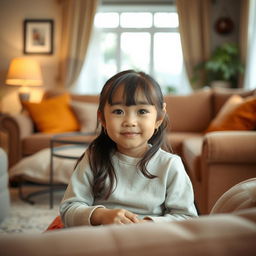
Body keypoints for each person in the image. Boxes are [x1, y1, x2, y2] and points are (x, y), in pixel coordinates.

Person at [59, 70, 198, 227]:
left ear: (159, 118)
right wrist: (101, 215)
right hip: (102, 241)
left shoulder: (170, 165)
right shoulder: (94, 158)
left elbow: (187, 218)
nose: (130, 121)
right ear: (102, 119)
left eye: (142, 111)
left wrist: (145, 224)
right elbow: (68, 210)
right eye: (118, 111)